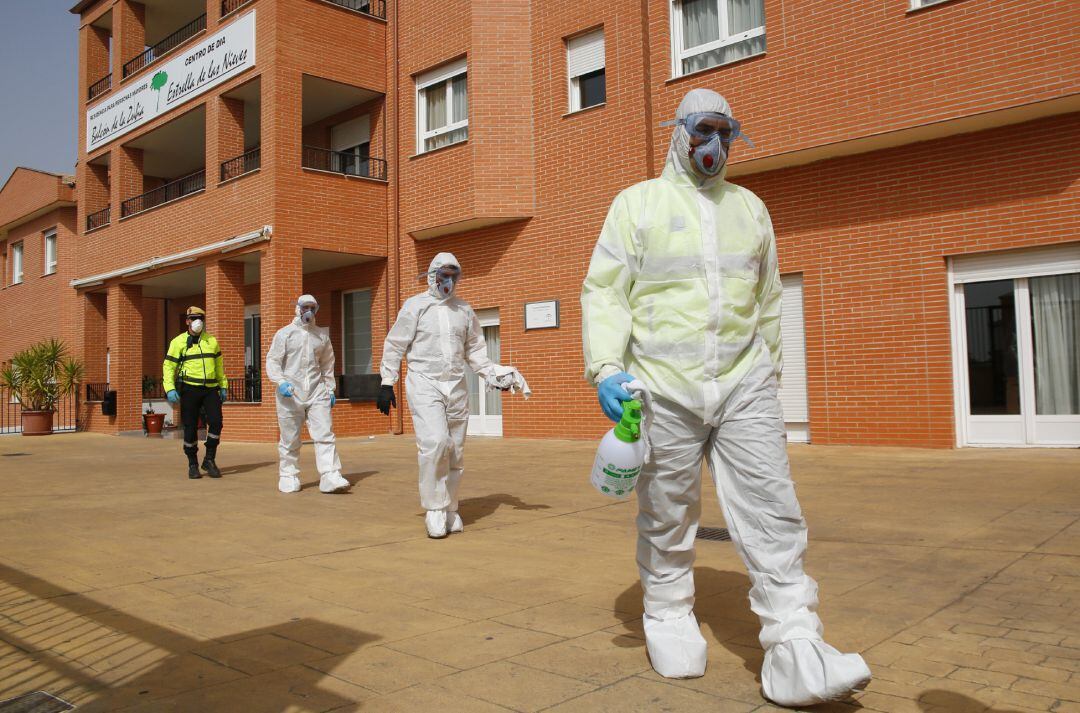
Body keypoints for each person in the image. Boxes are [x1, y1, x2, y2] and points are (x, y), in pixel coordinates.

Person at [580, 88, 871, 707]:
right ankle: (667, 612)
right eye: (703, 131)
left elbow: (767, 300)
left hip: (743, 382)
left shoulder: (750, 208)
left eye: (725, 133)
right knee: (668, 508)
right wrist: (606, 366)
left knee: (773, 508)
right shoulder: (638, 204)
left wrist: (772, 374)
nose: (713, 146)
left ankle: (795, 643)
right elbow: (605, 291)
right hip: (661, 385)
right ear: (678, 131)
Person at [379, 253, 522, 539]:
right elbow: (395, 344)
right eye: (443, 275)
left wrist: (495, 376)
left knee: (455, 450)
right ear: (432, 276)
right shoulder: (415, 306)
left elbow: (476, 352)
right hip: (424, 382)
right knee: (435, 443)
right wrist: (386, 382)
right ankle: (434, 509)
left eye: (453, 276)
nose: (448, 281)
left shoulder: (464, 311)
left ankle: (450, 508)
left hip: (456, 385)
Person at [265, 295, 349, 494]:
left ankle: (330, 475)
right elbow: (273, 361)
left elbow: (328, 364)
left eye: (312, 307)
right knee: (290, 438)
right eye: (305, 307)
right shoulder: (285, 334)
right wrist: (281, 381)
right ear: (297, 309)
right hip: (290, 393)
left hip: (316, 391)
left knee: (325, 434)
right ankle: (288, 475)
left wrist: (329, 389)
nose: (308, 311)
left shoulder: (321, 336)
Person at [163, 306, 227, 480]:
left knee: (216, 422)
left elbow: (219, 366)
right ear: (187, 321)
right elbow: (169, 367)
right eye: (193, 318)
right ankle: (192, 463)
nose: (197, 321)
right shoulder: (178, 342)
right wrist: (169, 388)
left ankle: (209, 459)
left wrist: (223, 385)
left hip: (210, 389)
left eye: (200, 318)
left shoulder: (211, 341)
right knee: (190, 427)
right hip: (189, 388)